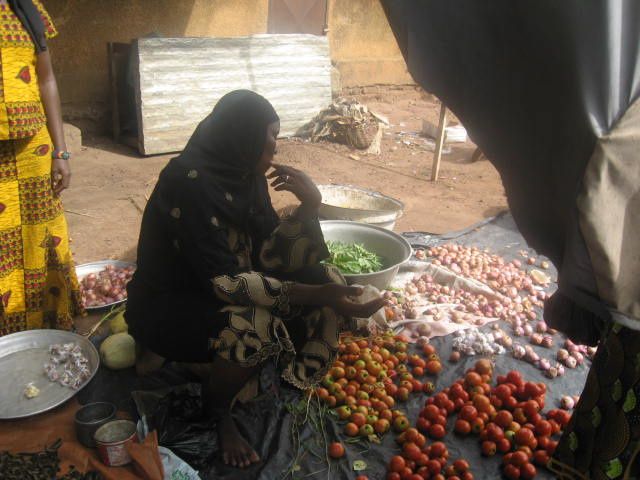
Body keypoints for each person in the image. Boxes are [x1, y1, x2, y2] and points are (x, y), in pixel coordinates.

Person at [125, 90, 386, 469]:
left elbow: (270, 251)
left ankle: (294, 371)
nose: (274, 151)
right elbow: (226, 283)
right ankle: (218, 412)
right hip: (173, 303)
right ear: (241, 138)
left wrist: (311, 204)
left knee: (327, 274)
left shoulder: (243, 173)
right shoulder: (188, 182)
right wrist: (316, 295)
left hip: (230, 281)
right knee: (256, 327)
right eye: (270, 139)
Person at [0, 0, 82, 336]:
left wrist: (61, 152)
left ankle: (49, 323)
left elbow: (46, 80)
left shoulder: (26, 10)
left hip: (33, 148)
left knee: (42, 238)